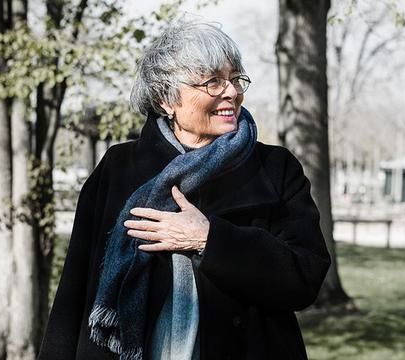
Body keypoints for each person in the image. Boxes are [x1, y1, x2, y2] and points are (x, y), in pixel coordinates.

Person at [38, 20, 331, 360]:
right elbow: (75, 291)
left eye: (235, 79)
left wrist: (210, 239)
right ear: (166, 99)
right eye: (213, 82)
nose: (232, 92)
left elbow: (305, 277)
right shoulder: (119, 168)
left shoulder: (275, 168)